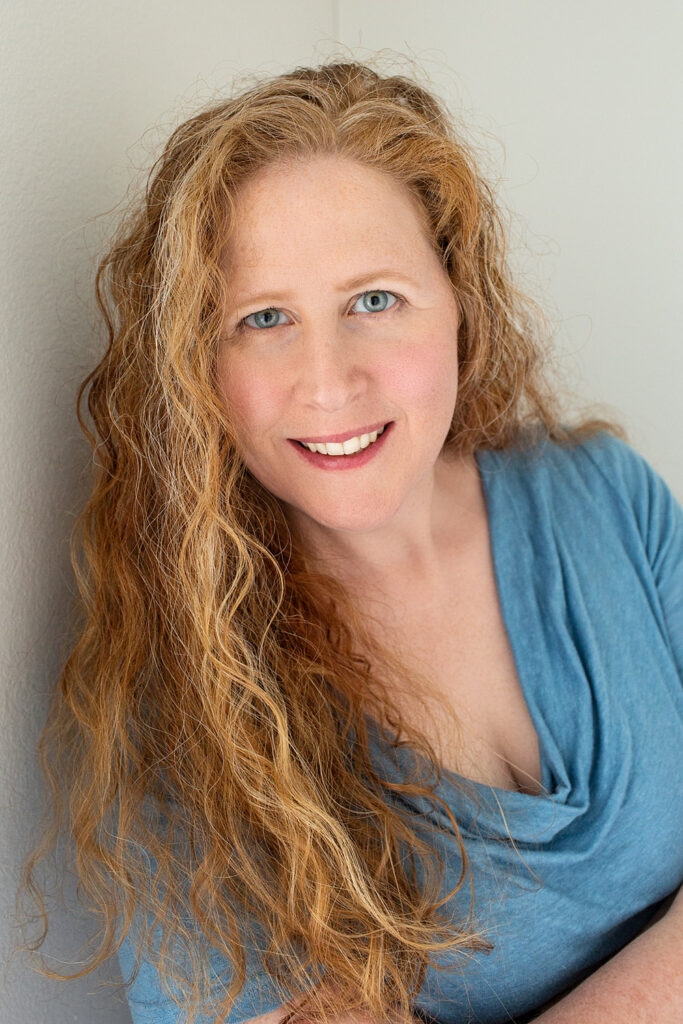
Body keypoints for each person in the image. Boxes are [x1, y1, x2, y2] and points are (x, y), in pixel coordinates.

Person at [16, 58, 682, 1024]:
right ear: (195, 367)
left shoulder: (603, 497)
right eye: (263, 319)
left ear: (461, 301)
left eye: (374, 300)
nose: (327, 384)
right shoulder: (179, 713)